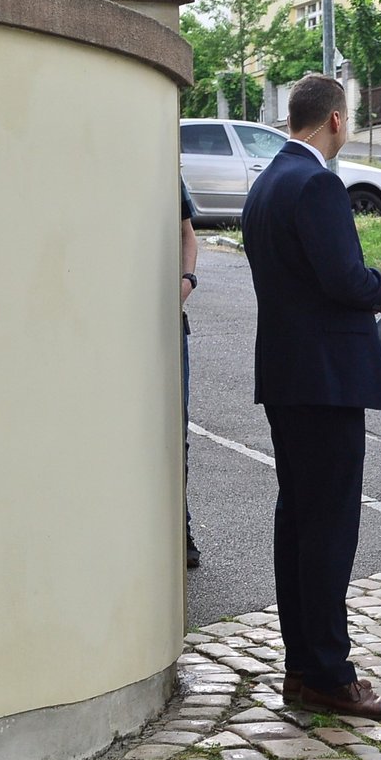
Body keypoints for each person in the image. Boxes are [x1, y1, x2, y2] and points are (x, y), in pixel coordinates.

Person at [241, 73, 381, 720]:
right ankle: (330, 675)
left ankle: (303, 666)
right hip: (324, 380)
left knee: (300, 525)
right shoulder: (315, 182)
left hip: (289, 376)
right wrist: (379, 285)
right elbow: (344, 278)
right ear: (336, 120)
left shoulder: (267, 181)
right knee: (329, 529)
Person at [181, 179, 201, 569]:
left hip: (169, 329)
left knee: (175, 433)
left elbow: (187, 236)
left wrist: (187, 280)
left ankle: (180, 531)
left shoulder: (166, 175)